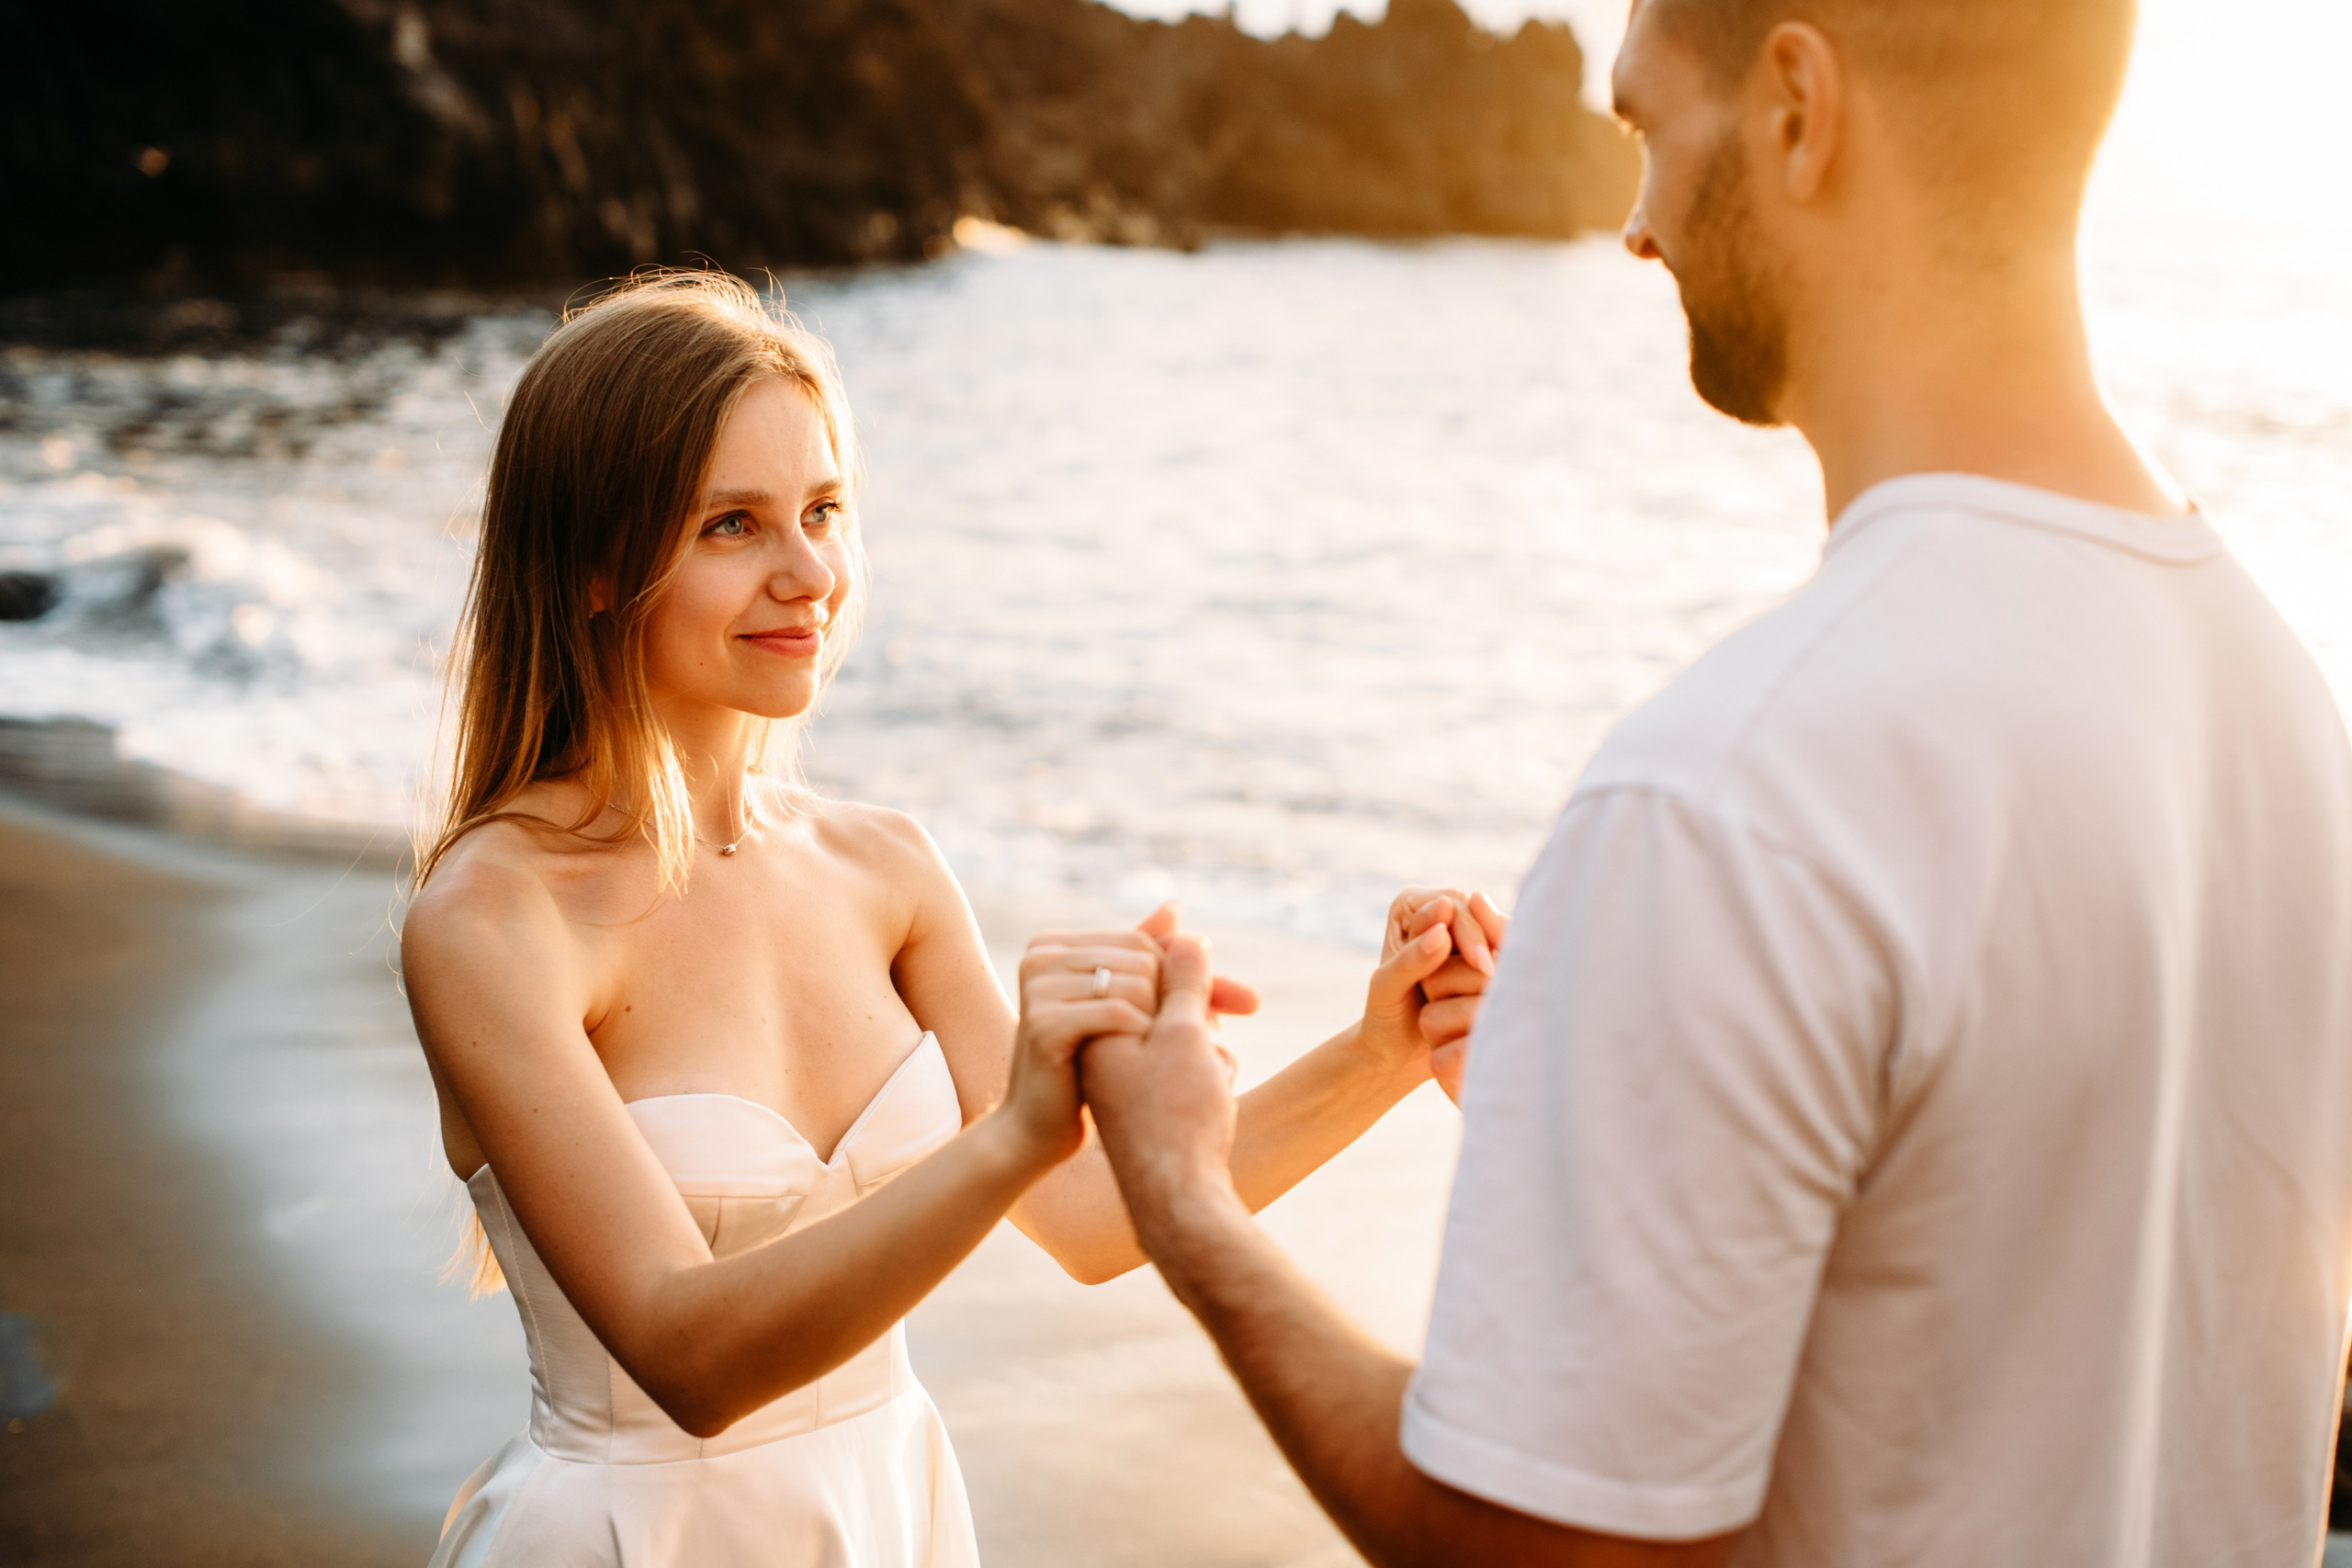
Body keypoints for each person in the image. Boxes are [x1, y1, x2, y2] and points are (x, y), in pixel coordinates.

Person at [1081, 1, 2352, 1563]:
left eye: (1645, 130)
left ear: (1796, 109)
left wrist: (1182, 1195)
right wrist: (1615, 1119)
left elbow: (1529, 1549)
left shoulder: (1735, 792)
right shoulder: (2287, 705)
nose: (1634, 226)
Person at [397, 270, 1504, 1567]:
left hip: (883, 1511)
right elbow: (683, 1353)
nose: (811, 572)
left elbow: (1094, 1221)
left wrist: (1381, 1049)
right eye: (732, 527)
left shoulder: (888, 870)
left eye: (823, 511)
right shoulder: (491, 920)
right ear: (592, 565)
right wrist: (1021, 1130)